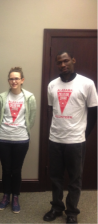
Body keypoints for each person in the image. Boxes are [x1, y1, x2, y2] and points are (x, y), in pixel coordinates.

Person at [43, 51, 98, 224]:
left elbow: (94, 111)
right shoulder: (52, 85)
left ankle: (72, 212)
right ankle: (56, 208)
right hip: (55, 139)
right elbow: (51, 109)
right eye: (59, 62)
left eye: (66, 61)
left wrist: (84, 133)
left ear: (73, 60)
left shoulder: (87, 83)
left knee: (75, 179)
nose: (63, 65)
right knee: (56, 177)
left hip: (76, 141)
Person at [0, 67, 36, 213]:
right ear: (8, 80)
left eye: (16, 78)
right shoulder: (1, 97)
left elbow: (31, 119)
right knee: (6, 170)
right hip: (3, 139)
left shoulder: (30, 97)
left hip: (21, 139)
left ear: (22, 80)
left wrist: (21, 129)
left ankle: (16, 197)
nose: (14, 81)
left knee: (16, 170)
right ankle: (6, 196)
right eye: (11, 79)